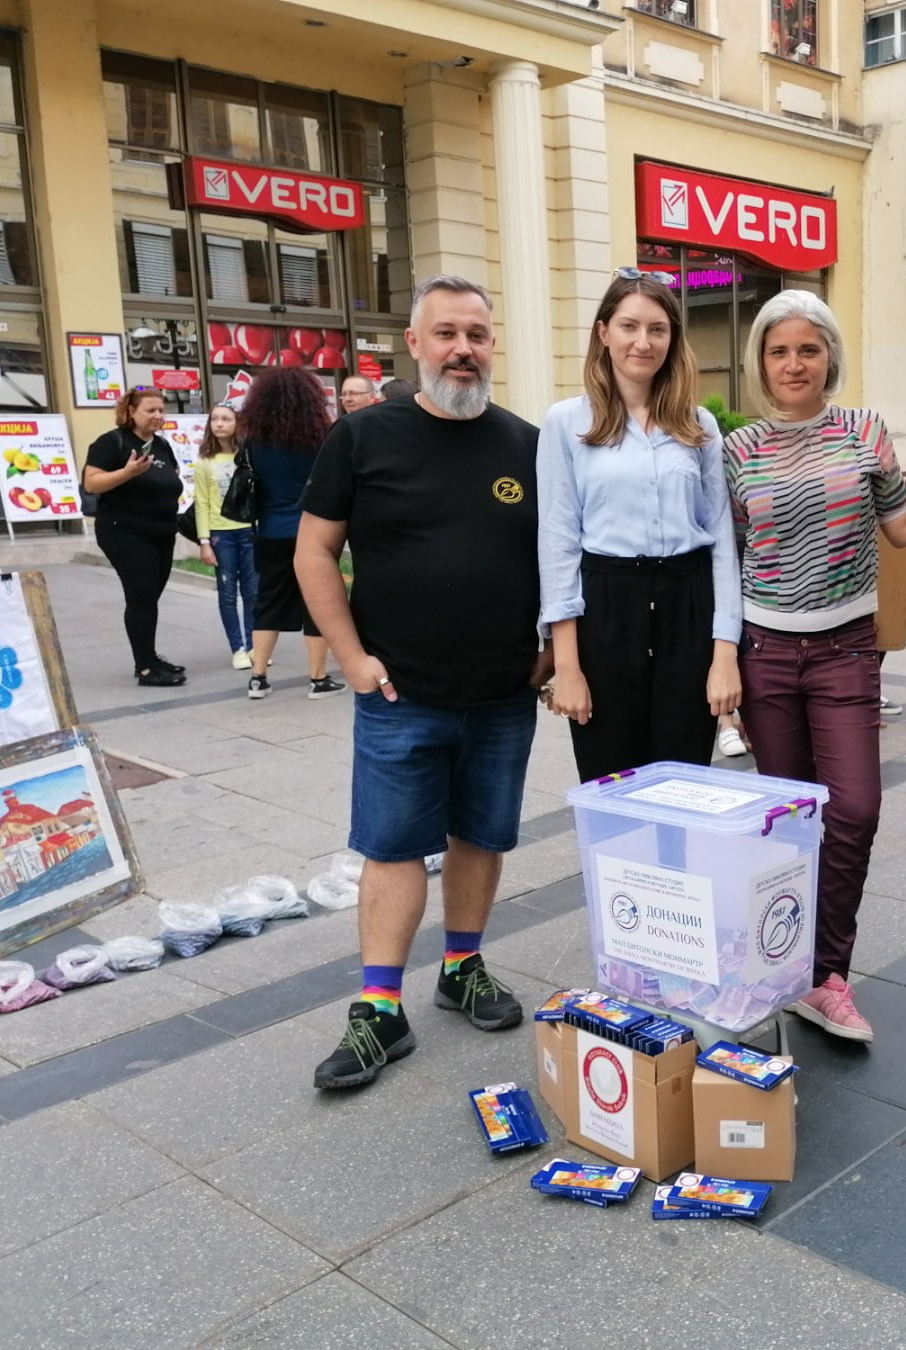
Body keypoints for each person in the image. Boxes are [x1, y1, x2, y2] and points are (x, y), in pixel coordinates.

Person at [297, 275, 550, 1090]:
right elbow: (312, 552)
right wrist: (351, 655)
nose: (463, 349)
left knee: (482, 834)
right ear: (413, 344)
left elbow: (560, 559)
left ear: (493, 344)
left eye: (477, 334)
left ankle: (462, 968)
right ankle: (378, 1011)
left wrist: (552, 646)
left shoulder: (526, 443)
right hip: (401, 693)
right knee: (394, 844)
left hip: (504, 692)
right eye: (446, 333)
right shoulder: (364, 438)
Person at [726, 290, 906, 1043]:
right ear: (762, 361)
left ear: (830, 357)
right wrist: (721, 657)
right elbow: (723, 560)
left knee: (853, 810)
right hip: (764, 653)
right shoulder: (738, 449)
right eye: (778, 350)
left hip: (847, 649)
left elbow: (900, 525)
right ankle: (789, 969)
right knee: (789, 822)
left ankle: (827, 976)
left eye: (808, 349)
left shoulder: (862, 432)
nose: (794, 363)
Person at [537, 272, 740, 780]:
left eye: (657, 329)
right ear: (603, 332)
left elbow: (721, 543)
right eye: (629, 326)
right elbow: (558, 542)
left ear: (672, 339)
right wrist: (567, 666)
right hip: (606, 608)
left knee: (684, 781)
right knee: (612, 783)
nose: (643, 342)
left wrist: (724, 654)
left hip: (689, 607)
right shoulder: (566, 423)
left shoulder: (698, 426)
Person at [237, 368, 344, 700]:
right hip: (314, 531)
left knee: (268, 600)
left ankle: (258, 678)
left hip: (270, 530)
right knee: (316, 601)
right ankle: (318, 678)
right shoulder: (320, 438)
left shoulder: (255, 441)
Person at [81, 389, 186, 687]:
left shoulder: (162, 445)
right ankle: (145, 668)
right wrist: (127, 473)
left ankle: (150, 656)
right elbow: (92, 482)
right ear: (130, 413)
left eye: (161, 411)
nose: (158, 416)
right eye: (150, 411)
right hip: (123, 531)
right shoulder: (110, 443)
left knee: (150, 597)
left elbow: (170, 478)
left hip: (162, 531)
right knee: (141, 595)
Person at [192, 403, 258, 670]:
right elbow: (202, 503)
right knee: (228, 593)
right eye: (215, 419)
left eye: (226, 419)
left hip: (249, 532)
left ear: (236, 424)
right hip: (221, 536)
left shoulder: (248, 458)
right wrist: (204, 541)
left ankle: (255, 645)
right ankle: (238, 647)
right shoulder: (204, 463)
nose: (219, 424)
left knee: (253, 592)